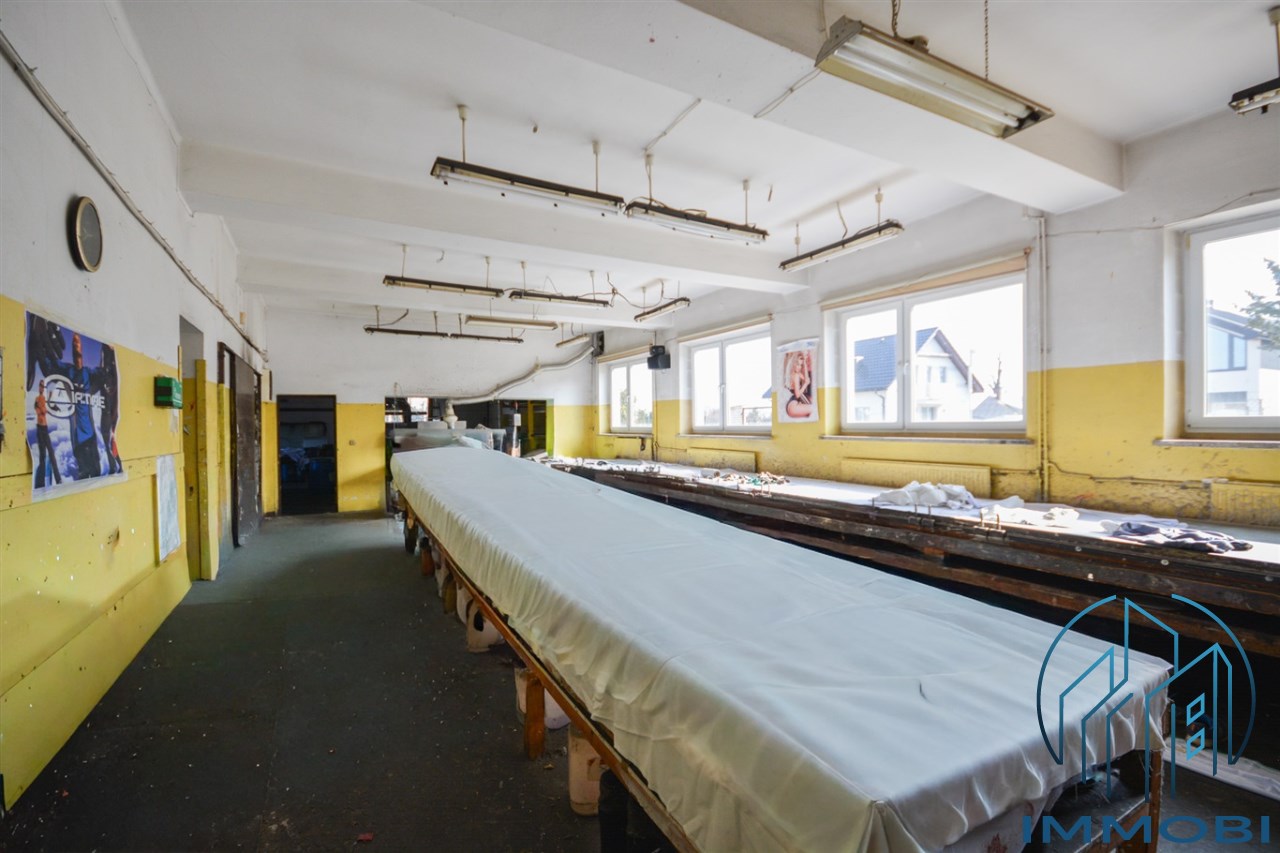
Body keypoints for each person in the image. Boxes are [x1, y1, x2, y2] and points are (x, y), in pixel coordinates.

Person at [34, 379, 62, 487]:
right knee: (42, 456)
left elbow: (48, 409)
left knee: (51, 453)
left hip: (44, 428)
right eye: (40, 385)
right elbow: (40, 411)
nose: (41, 388)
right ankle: (40, 483)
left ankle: (58, 479)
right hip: (40, 428)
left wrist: (50, 403)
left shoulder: (44, 399)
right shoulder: (38, 399)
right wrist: (45, 406)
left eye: (43, 386)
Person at [783, 350, 814, 420]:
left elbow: (807, 379)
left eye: (801, 365)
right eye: (797, 364)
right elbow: (797, 395)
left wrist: (804, 363)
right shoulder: (795, 375)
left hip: (795, 402)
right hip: (794, 403)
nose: (799, 367)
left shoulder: (797, 373)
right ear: (793, 363)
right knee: (814, 409)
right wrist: (805, 384)